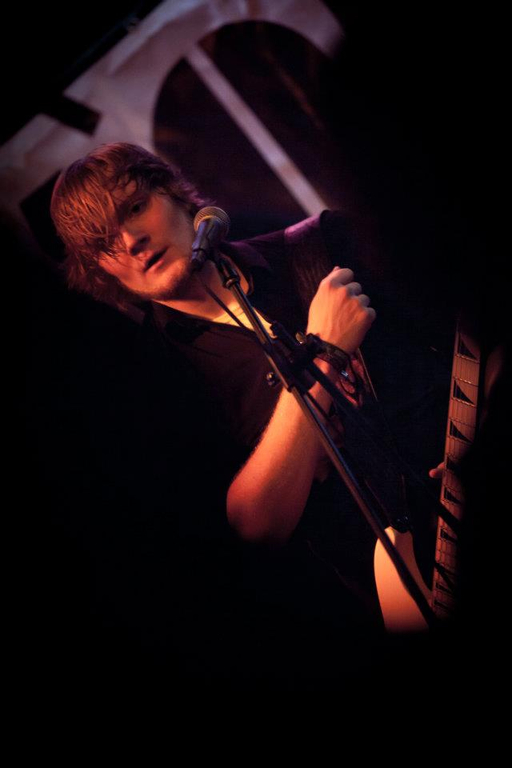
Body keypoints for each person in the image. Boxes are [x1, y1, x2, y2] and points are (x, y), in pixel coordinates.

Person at [47, 142, 446, 689]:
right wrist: (325, 355)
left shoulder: (320, 246)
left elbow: (471, 336)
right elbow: (253, 526)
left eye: (134, 208)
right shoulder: (158, 389)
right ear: (100, 273)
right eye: (104, 245)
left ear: (174, 192)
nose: (131, 241)